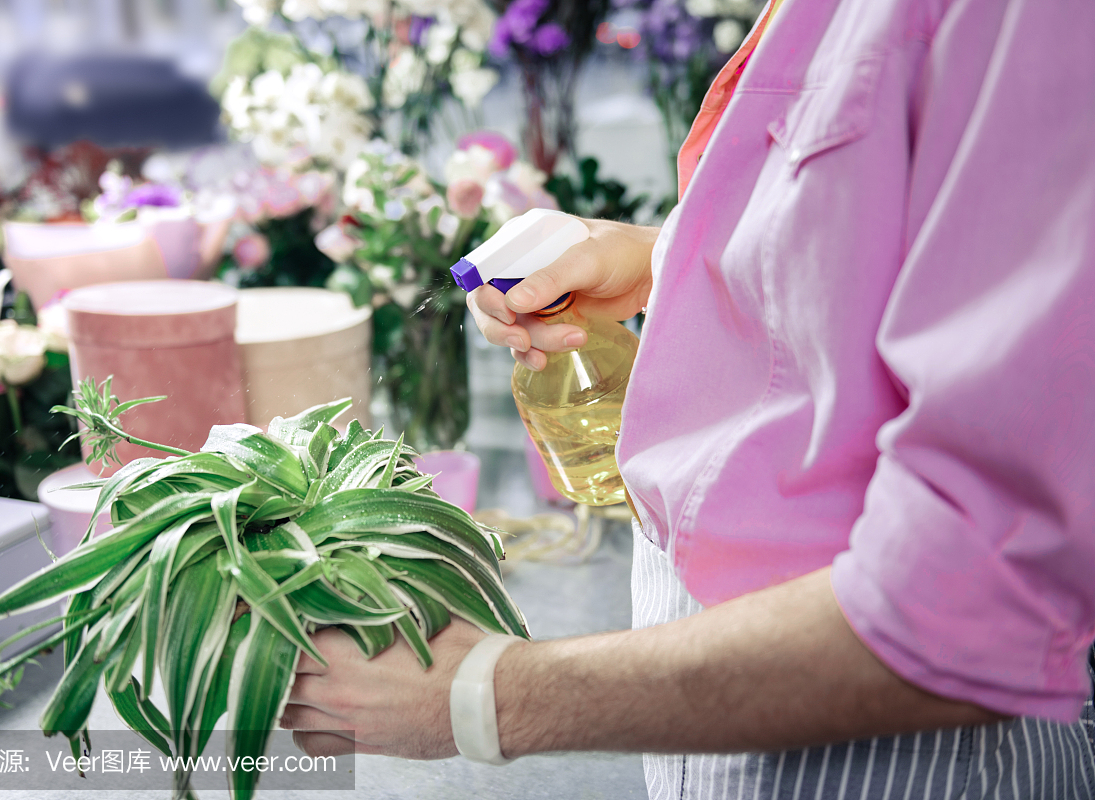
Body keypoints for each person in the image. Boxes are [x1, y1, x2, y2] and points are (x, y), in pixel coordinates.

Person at [280, 0, 1095, 796]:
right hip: (722, 711)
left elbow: (968, 601)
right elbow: (878, 225)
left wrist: (484, 694)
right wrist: (662, 257)